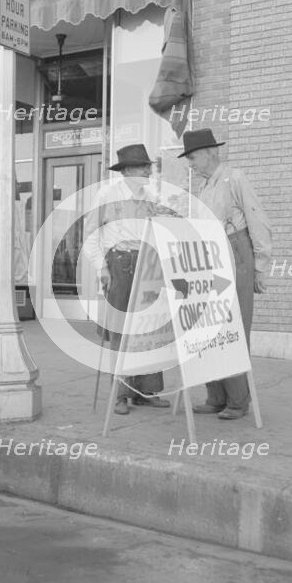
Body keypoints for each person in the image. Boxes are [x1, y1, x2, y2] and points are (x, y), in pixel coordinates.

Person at [179, 128, 272, 419]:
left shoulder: (235, 178)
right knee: (209, 326)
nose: (190, 164)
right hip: (208, 258)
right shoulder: (204, 188)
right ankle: (215, 396)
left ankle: (238, 401)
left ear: (211, 152)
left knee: (233, 324)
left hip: (235, 252)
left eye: (193, 157)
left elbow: (258, 221)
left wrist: (260, 267)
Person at [84, 144, 170, 415]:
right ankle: (121, 394)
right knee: (121, 330)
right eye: (144, 166)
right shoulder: (107, 194)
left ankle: (146, 391)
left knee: (148, 328)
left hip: (147, 263)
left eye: (149, 166)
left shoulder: (152, 195)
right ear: (128, 170)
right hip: (119, 262)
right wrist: (102, 268)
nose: (149, 170)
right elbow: (90, 233)